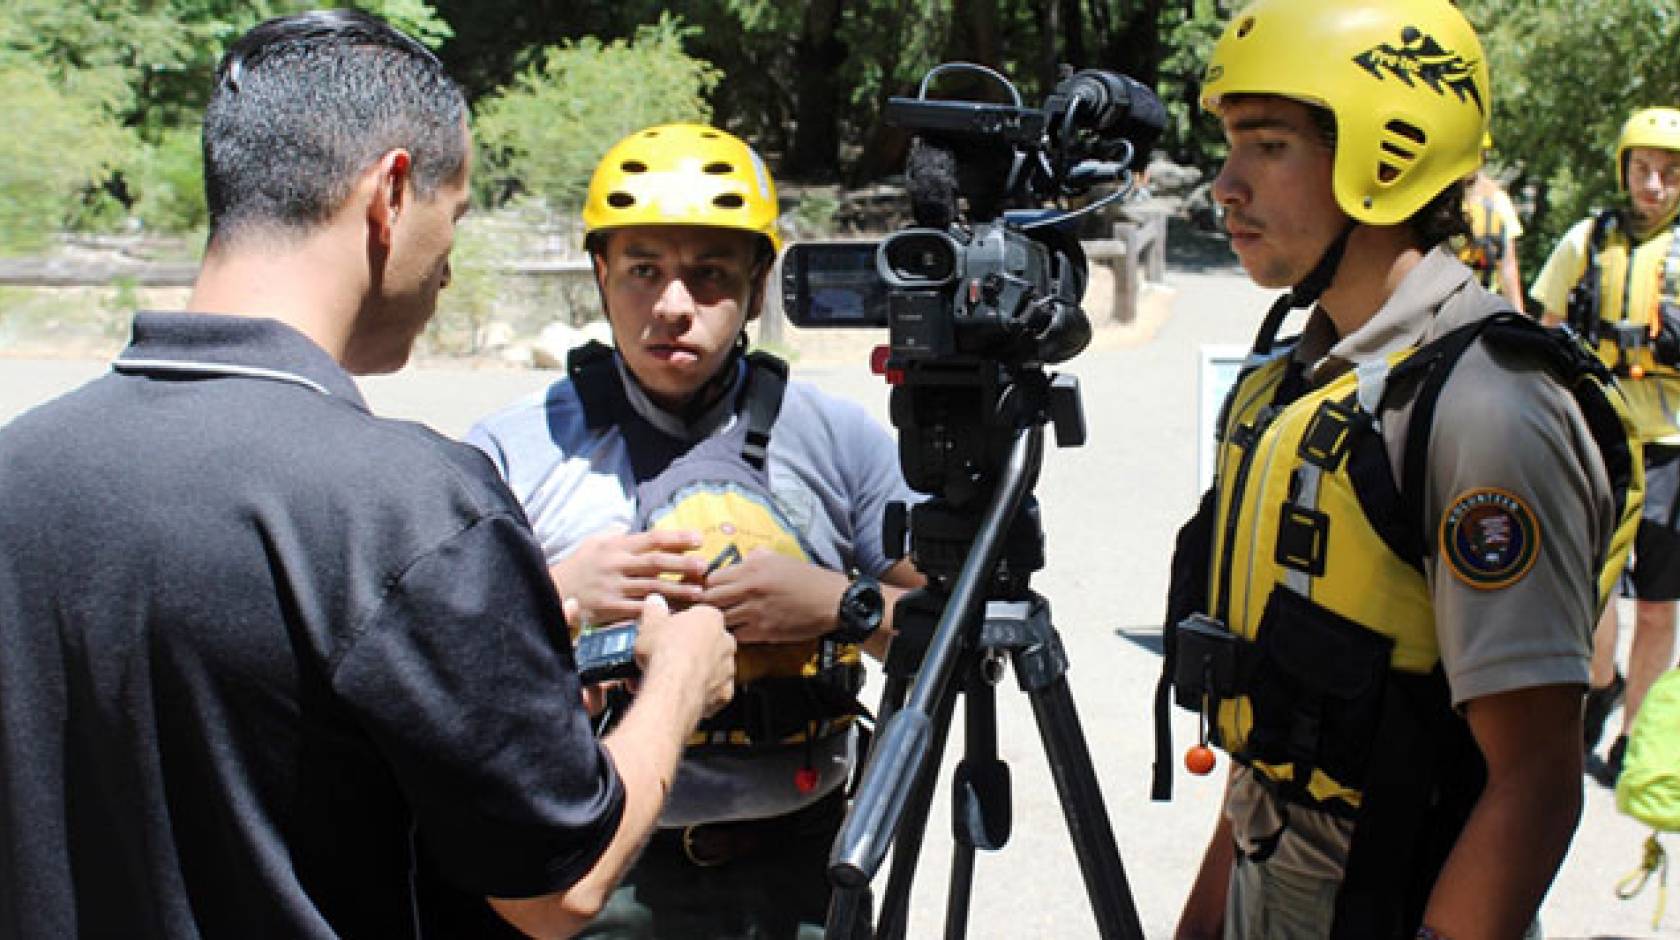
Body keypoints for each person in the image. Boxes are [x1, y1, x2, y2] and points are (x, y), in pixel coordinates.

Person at [0, 11, 736, 939]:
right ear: (390, 193)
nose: (448, 270)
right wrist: (678, 683)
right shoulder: (411, 506)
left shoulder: (21, 467)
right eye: (453, 215)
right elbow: (560, 887)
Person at [1157, 1, 1641, 937]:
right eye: (1229, 146)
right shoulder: (1302, 380)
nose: (1225, 185)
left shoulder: (1486, 407)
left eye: (1268, 146)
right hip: (1270, 877)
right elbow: (1277, 740)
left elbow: (1537, 780)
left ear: (1388, 158)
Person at [466, 123, 923, 937]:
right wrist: (557, 593)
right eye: (642, 270)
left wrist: (840, 602)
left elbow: (956, 638)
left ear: (758, 285)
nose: (673, 305)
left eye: (709, 273)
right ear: (601, 276)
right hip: (591, 872)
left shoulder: (839, 440)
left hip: (805, 871)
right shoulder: (513, 450)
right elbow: (440, 665)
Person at [1534, 106, 1680, 789]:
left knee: (1656, 605)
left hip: (1673, 450)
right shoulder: (1587, 241)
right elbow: (1545, 326)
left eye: (1670, 173)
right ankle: (1602, 682)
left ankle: (1634, 734)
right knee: (1592, 595)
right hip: (1600, 442)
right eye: (1643, 169)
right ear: (1624, 170)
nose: (1654, 184)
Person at [1457, 134, 1527, 312]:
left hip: (1482, 306)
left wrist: (1518, 315)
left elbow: (1508, 266)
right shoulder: (1436, 201)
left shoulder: (1498, 200)